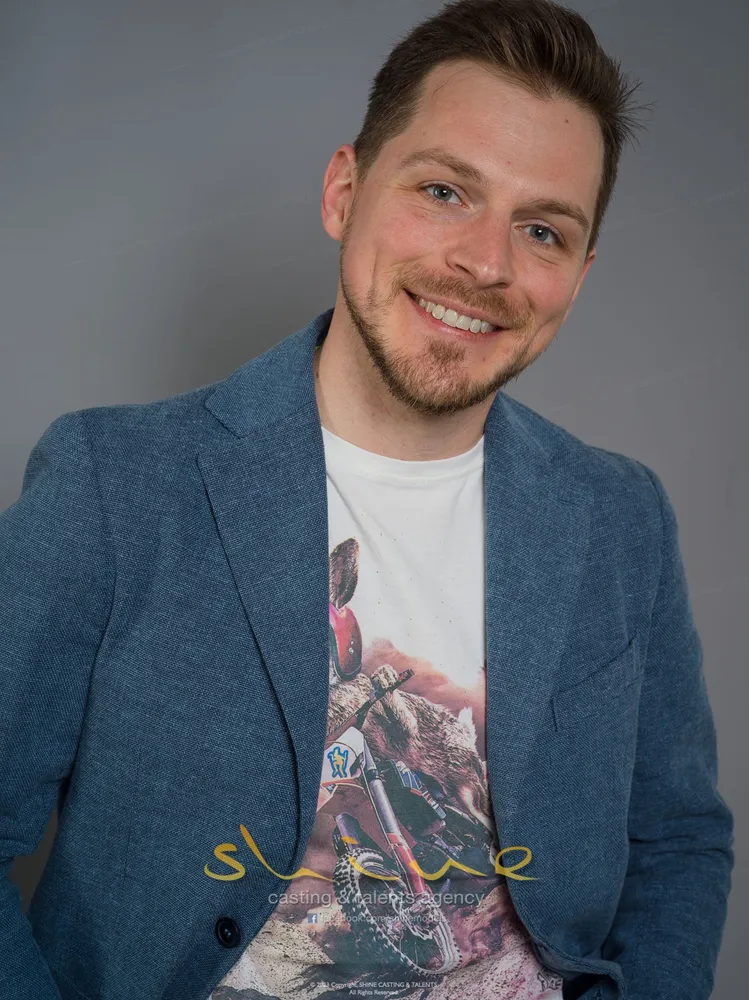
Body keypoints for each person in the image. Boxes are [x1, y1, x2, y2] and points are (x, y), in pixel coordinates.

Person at [0, 0, 734, 998]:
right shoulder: (113, 486)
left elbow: (676, 838)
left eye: (541, 230)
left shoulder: (619, 518)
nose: (485, 264)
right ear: (343, 193)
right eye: (442, 190)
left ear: (578, 273)